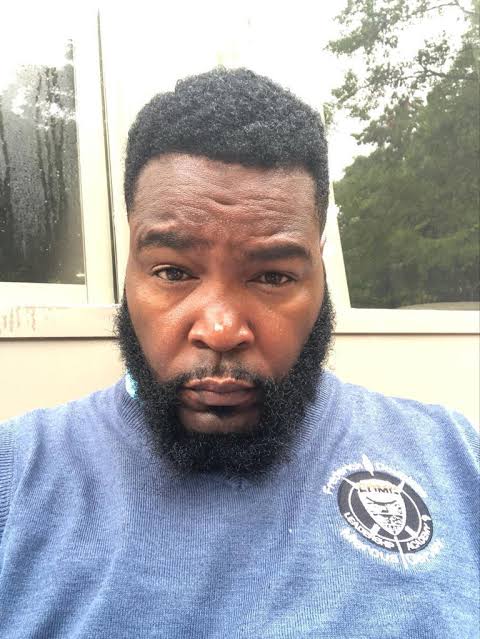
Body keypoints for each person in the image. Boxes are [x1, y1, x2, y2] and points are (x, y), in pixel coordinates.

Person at [0, 68, 478, 639]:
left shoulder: (454, 458)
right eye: (173, 272)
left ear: (320, 271)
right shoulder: (15, 476)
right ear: (130, 265)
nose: (221, 330)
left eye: (272, 276)